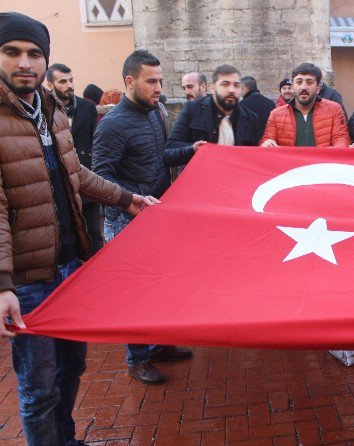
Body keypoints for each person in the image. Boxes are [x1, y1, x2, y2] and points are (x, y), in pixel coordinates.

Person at [0, 12, 159, 446]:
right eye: (11, 52)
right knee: (38, 387)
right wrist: (3, 284)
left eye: (34, 53)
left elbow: (78, 176)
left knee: (73, 369)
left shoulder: (50, 110)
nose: (25, 63)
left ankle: (65, 440)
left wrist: (128, 198)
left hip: (71, 266)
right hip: (30, 280)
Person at [93, 50, 195, 385]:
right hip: (125, 222)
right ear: (129, 81)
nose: (158, 87)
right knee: (134, 292)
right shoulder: (111, 125)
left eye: (161, 81)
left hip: (157, 216)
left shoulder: (155, 113)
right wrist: (130, 200)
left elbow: (157, 157)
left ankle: (159, 344)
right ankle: (137, 359)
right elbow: (100, 178)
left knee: (162, 285)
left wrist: (191, 151)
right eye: (152, 81)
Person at [46, 63, 104, 255]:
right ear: (50, 85)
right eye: (62, 81)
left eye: (71, 80)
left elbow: (93, 142)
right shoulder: (44, 112)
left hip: (86, 184)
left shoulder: (87, 108)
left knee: (95, 237)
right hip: (59, 188)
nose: (69, 85)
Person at [168, 65, 260, 159]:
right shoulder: (193, 109)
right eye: (225, 84)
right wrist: (192, 149)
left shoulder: (250, 118)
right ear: (213, 88)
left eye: (236, 85)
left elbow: (253, 158)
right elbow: (170, 149)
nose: (231, 90)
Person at [261, 63, 349, 147]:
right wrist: (266, 144)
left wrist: (335, 150)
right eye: (299, 82)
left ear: (318, 88)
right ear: (293, 86)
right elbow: (266, 141)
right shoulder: (276, 115)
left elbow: (341, 139)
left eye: (309, 82)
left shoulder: (334, 110)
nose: (303, 87)